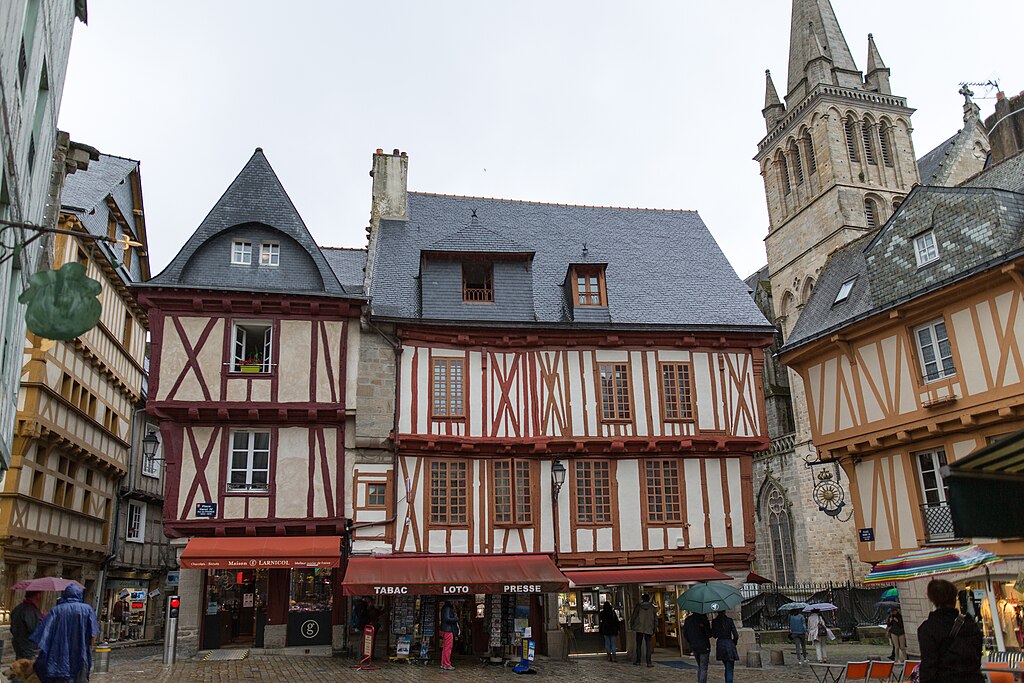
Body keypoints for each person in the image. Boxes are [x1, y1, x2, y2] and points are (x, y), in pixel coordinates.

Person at [30, 584, 100, 683]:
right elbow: (93, 634)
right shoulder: (87, 610)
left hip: (58, 656)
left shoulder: (56, 610)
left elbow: (44, 633)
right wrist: (88, 648)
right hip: (80, 654)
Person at [917, 579, 983, 683]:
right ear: (954, 598)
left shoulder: (928, 629)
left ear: (933, 600)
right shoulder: (969, 624)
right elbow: (977, 656)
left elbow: (928, 669)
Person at [11, 591, 43, 659]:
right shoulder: (30, 610)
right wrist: (43, 620)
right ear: (37, 595)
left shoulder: (18, 608)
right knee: (28, 666)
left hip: (18, 643)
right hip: (28, 646)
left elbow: (12, 628)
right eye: (40, 593)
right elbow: (34, 629)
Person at [683, 610, 712, 683]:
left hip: (694, 645)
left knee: (700, 666)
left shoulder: (688, 620)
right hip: (703, 646)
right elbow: (709, 634)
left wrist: (691, 641)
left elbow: (685, 634)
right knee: (703, 667)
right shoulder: (703, 619)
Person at [629, 593, 657, 667]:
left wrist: (631, 625)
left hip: (639, 628)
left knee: (638, 645)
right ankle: (649, 662)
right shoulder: (652, 608)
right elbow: (655, 620)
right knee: (648, 645)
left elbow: (633, 617)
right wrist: (654, 629)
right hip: (649, 627)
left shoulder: (638, 607)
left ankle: (638, 661)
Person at [711, 612, 739, 683]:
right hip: (729, 644)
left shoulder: (715, 621)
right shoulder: (729, 620)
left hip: (720, 645)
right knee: (729, 669)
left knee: (727, 667)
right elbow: (736, 635)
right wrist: (734, 643)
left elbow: (714, 635)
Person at [439, 600, 460, 671]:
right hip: (448, 629)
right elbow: (447, 618)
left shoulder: (445, 607)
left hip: (445, 629)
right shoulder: (448, 608)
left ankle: (443, 663)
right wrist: (455, 619)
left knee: (445, 647)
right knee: (448, 647)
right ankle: (447, 664)